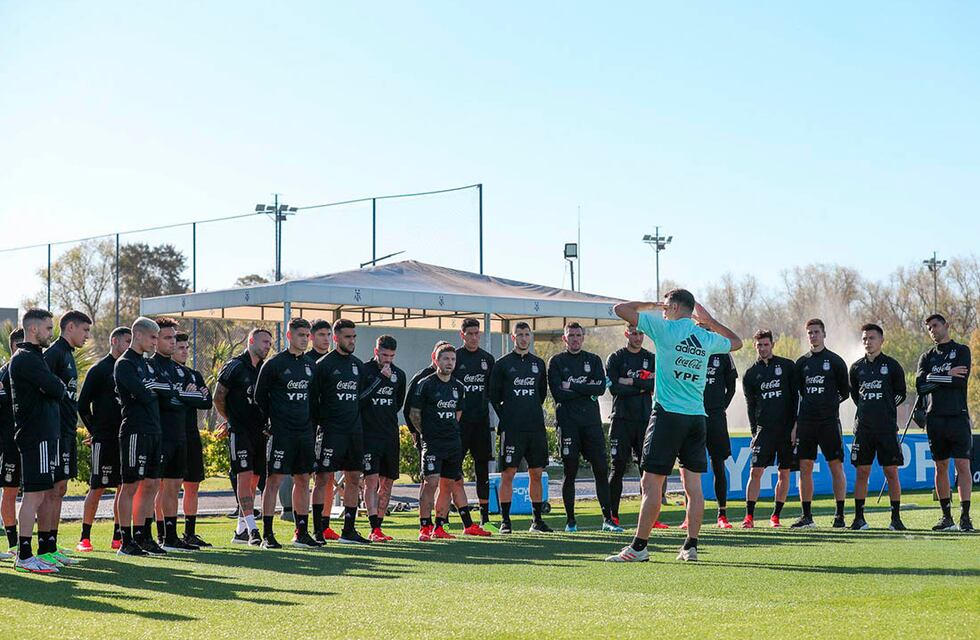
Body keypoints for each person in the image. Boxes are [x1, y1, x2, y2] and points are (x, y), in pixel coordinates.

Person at [605, 290, 741, 563]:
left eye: (666, 306)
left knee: (650, 482)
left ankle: (639, 547)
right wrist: (710, 321)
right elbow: (736, 342)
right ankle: (691, 546)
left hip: (668, 416)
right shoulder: (704, 336)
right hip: (697, 418)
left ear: (676, 307)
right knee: (693, 486)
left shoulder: (665, 329)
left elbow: (620, 309)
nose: (663, 310)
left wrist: (649, 304)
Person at [411, 343, 491, 540]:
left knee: (448, 484)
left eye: (453, 359)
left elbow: (458, 414)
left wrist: (449, 432)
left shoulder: (459, 387)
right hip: (432, 443)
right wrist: (427, 433)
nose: (449, 363)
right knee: (431, 483)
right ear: (436, 360)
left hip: (453, 443)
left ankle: (439, 527)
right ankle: (424, 526)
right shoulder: (426, 384)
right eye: (445, 359)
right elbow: (414, 414)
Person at [253, 318, 318, 549]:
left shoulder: (311, 365)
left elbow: (314, 399)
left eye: (307, 335)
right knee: (274, 480)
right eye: (301, 335)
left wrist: (311, 425)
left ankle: (301, 532)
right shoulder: (274, 364)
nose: (305, 339)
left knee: (303, 479)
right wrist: (271, 421)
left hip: (304, 433)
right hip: (281, 433)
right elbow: (259, 397)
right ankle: (267, 534)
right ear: (289, 336)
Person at [548, 322, 618, 532]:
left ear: (583, 337)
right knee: (570, 471)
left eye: (578, 335)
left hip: (591, 424)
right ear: (565, 338)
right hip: (568, 425)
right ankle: (571, 522)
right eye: (571, 335)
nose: (575, 339)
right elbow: (558, 393)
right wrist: (586, 389)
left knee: (601, 469)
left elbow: (600, 388)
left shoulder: (593, 360)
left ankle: (607, 520)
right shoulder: (556, 361)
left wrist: (572, 386)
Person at [9, 310, 66, 572]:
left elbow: (54, 388)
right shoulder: (25, 358)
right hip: (35, 436)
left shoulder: (36, 357)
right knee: (33, 496)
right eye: (48, 328)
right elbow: (57, 388)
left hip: (44, 435)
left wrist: (53, 386)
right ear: (33, 329)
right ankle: (24, 555)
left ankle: (37, 552)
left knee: (41, 494)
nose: (51, 333)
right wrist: (54, 386)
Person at [115, 316, 175, 556]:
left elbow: (168, 390)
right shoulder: (125, 363)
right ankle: (125, 540)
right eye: (152, 337)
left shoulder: (148, 364)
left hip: (154, 430)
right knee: (130, 485)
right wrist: (155, 389)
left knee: (151, 484)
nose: (155, 342)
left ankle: (144, 536)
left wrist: (156, 388)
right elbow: (144, 393)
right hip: (135, 431)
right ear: (138, 335)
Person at [151, 318, 210, 552]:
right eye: (169, 338)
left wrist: (182, 395)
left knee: (178, 485)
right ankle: (151, 535)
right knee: (155, 487)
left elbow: (205, 400)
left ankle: (176, 536)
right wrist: (184, 395)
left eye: (175, 339)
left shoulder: (186, 373)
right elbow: (166, 397)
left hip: (184, 436)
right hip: (160, 435)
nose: (175, 344)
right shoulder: (150, 366)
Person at [488, 321, 552, 533]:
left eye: (527, 334)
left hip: (535, 428)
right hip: (512, 429)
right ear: (513, 337)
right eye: (520, 335)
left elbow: (541, 393)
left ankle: (537, 521)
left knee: (537, 473)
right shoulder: (502, 364)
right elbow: (494, 396)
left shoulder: (538, 363)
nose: (524, 338)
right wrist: (508, 415)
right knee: (508, 474)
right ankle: (505, 521)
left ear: (530, 337)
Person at [310, 319, 370, 544]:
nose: (352, 341)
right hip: (330, 432)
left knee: (354, 477)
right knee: (323, 478)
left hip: (354, 432)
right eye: (347, 337)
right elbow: (313, 400)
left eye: (354, 337)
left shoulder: (358, 366)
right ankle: (318, 529)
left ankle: (349, 530)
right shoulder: (323, 365)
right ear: (336, 338)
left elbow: (360, 398)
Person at [214, 328, 273, 545]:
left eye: (270, 343)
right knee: (244, 477)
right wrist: (231, 419)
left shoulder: (265, 369)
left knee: (255, 480)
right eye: (264, 341)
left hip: (260, 432)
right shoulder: (235, 365)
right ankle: (253, 529)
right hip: (240, 432)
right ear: (251, 341)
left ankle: (240, 531)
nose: (268, 346)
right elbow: (218, 396)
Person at [915, 313, 973, 532]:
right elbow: (921, 385)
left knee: (962, 466)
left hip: (958, 416)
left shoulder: (962, 351)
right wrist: (947, 374)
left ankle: (965, 517)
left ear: (946, 325)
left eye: (935, 325)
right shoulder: (927, 357)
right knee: (940, 466)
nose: (932, 330)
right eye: (929, 327)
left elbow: (960, 381)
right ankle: (946, 517)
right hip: (935, 418)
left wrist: (934, 378)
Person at [76, 326, 131, 552]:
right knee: (97, 487)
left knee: (123, 487)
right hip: (104, 439)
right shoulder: (99, 369)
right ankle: (85, 537)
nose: (129, 345)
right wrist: (95, 431)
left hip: (126, 438)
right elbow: (82, 405)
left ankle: (118, 536)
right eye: (127, 341)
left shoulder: (131, 369)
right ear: (114, 341)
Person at [42, 309, 91, 559]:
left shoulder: (69, 354)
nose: (87, 336)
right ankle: (45, 547)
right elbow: (42, 388)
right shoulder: (54, 353)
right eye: (85, 330)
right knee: (51, 489)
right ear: (70, 327)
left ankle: (52, 543)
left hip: (68, 430)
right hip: (55, 431)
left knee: (60, 488)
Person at [848, 323, 907, 531]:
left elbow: (900, 393)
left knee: (891, 472)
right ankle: (859, 518)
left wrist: (884, 408)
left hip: (886, 429)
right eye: (864, 338)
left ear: (881, 340)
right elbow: (856, 396)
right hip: (863, 429)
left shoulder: (892, 365)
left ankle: (896, 519)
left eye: (872, 338)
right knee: (862, 472)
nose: (868, 342)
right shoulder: (856, 368)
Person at [792, 319, 849, 529]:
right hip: (807, 422)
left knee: (835, 465)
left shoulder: (835, 361)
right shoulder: (801, 363)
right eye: (809, 332)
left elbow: (845, 392)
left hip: (829, 422)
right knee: (805, 467)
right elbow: (798, 394)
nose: (813, 335)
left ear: (824, 334)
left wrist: (828, 404)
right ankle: (807, 516)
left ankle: (840, 515)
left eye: (816, 332)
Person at [741, 330, 797, 528]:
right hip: (764, 430)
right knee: (755, 472)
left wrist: (795, 427)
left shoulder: (787, 366)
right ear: (755, 346)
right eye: (759, 345)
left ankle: (775, 516)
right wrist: (754, 433)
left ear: (772, 344)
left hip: (786, 430)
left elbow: (796, 399)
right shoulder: (750, 374)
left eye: (766, 344)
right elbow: (750, 407)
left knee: (784, 473)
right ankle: (749, 517)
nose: (763, 348)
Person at [605, 324, 658, 528]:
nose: (638, 337)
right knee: (617, 467)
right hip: (621, 420)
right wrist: (642, 384)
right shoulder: (616, 358)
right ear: (626, 334)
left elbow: (655, 385)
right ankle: (612, 517)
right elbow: (614, 388)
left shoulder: (651, 358)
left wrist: (630, 381)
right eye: (634, 333)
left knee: (647, 470)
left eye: (641, 333)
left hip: (645, 420)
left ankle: (650, 517)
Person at [359, 335, 406, 542]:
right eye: (384, 355)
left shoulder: (399, 374)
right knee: (371, 480)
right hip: (369, 435)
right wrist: (380, 378)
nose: (387, 360)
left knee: (387, 482)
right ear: (376, 351)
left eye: (391, 356)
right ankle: (372, 526)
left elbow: (398, 404)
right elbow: (360, 399)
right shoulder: (364, 370)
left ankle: (379, 527)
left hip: (390, 435)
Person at [172, 331, 214, 547]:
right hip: (171, 435)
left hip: (191, 435)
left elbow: (207, 401)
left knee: (192, 485)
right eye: (180, 347)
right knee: (168, 486)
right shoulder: (166, 372)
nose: (185, 351)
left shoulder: (194, 375)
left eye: (187, 347)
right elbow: (172, 398)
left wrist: (190, 395)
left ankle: (189, 533)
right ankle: (164, 533)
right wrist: (190, 395)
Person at [453, 318, 496, 526]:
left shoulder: (487, 359)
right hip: (459, 425)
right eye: (469, 334)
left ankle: (484, 518)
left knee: (482, 470)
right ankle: (447, 516)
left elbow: (493, 392)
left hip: (481, 424)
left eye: (476, 333)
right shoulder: (455, 357)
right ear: (462, 335)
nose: (473, 337)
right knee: (453, 470)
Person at [701, 348, 738, 529]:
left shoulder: (723, 351)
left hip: (715, 417)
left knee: (718, 465)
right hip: (693, 414)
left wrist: (720, 407)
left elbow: (731, 387)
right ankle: (688, 515)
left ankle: (722, 514)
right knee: (688, 467)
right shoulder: (691, 348)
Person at [307, 318, 334, 540]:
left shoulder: (335, 361)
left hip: (329, 427)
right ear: (311, 337)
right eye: (321, 335)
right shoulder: (306, 361)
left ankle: (325, 525)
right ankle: (302, 525)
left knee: (328, 476)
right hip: (306, 426)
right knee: (305, 478)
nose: (326, 339)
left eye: (328, 335)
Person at [1, 328, 25, 557]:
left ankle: (45, 543)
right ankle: (13, 544)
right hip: (8, 443)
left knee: (40, 493)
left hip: (31, 440)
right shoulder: (4, 374)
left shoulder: (34, 370)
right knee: (10, 491)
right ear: (15, 347)